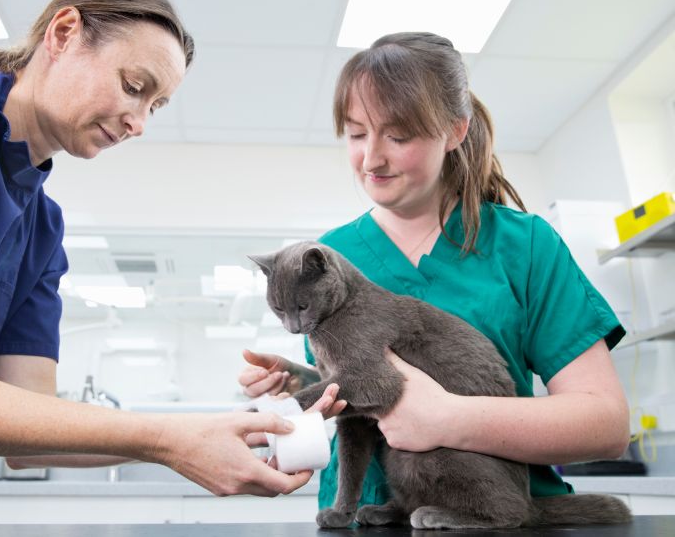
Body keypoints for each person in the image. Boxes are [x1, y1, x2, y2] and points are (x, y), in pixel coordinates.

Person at [0, 0, 342, 495]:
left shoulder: (40, 230)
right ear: (63, 33)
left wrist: (240, 425)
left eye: (155, 106)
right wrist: (166, 440)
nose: (139, 122)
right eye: (134, 87)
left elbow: (29, 437)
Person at [239, 32, 630, 511]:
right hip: (369, 515)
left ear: (455, 131)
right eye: (357, 133)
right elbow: (367, 391)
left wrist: (452, 418)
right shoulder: (330, 257)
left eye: (398, 136)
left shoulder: (524, 246)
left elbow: (606, 425)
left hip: (492, 507)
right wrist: (304, 383)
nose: (371, 158)